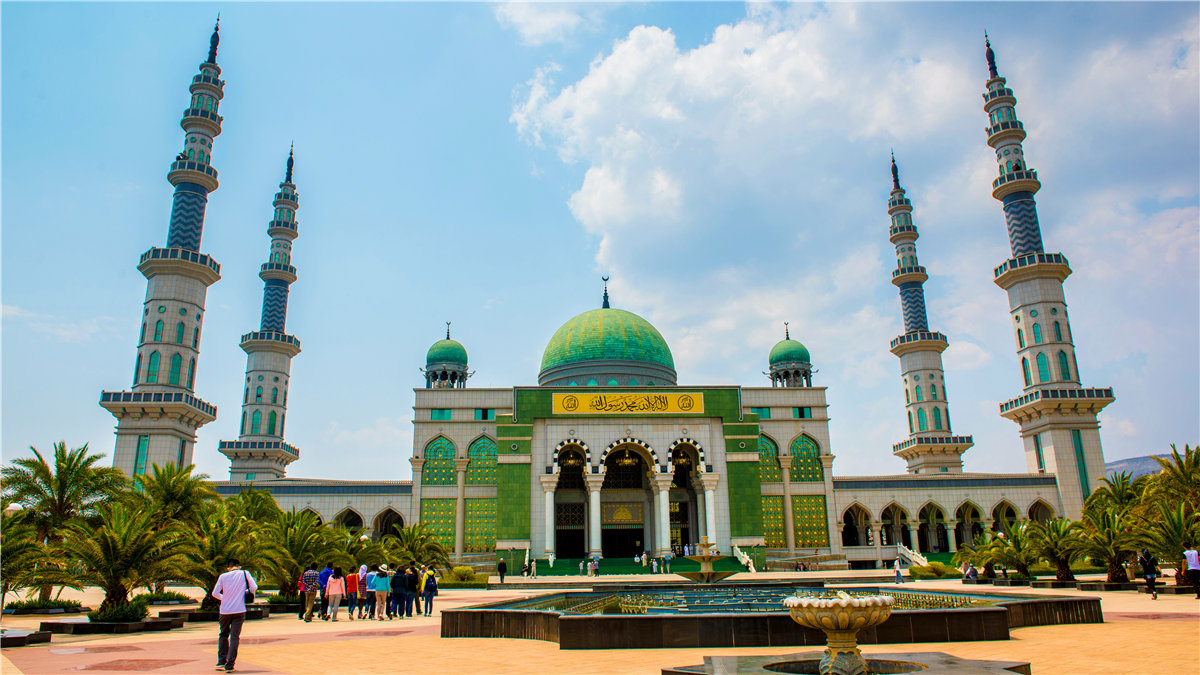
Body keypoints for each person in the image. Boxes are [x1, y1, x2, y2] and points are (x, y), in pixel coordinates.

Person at [212, 558, 258, 673]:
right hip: (239, 610)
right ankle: (230, 664)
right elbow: (254, 587)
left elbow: (215, 593)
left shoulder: (223, 576)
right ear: (239, 566)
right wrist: (244, 593)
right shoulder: (244, 573)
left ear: (228, 568)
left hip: (224, 611)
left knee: (223, 634)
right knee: (234, 637)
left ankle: (221, 661)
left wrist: (225, 598)